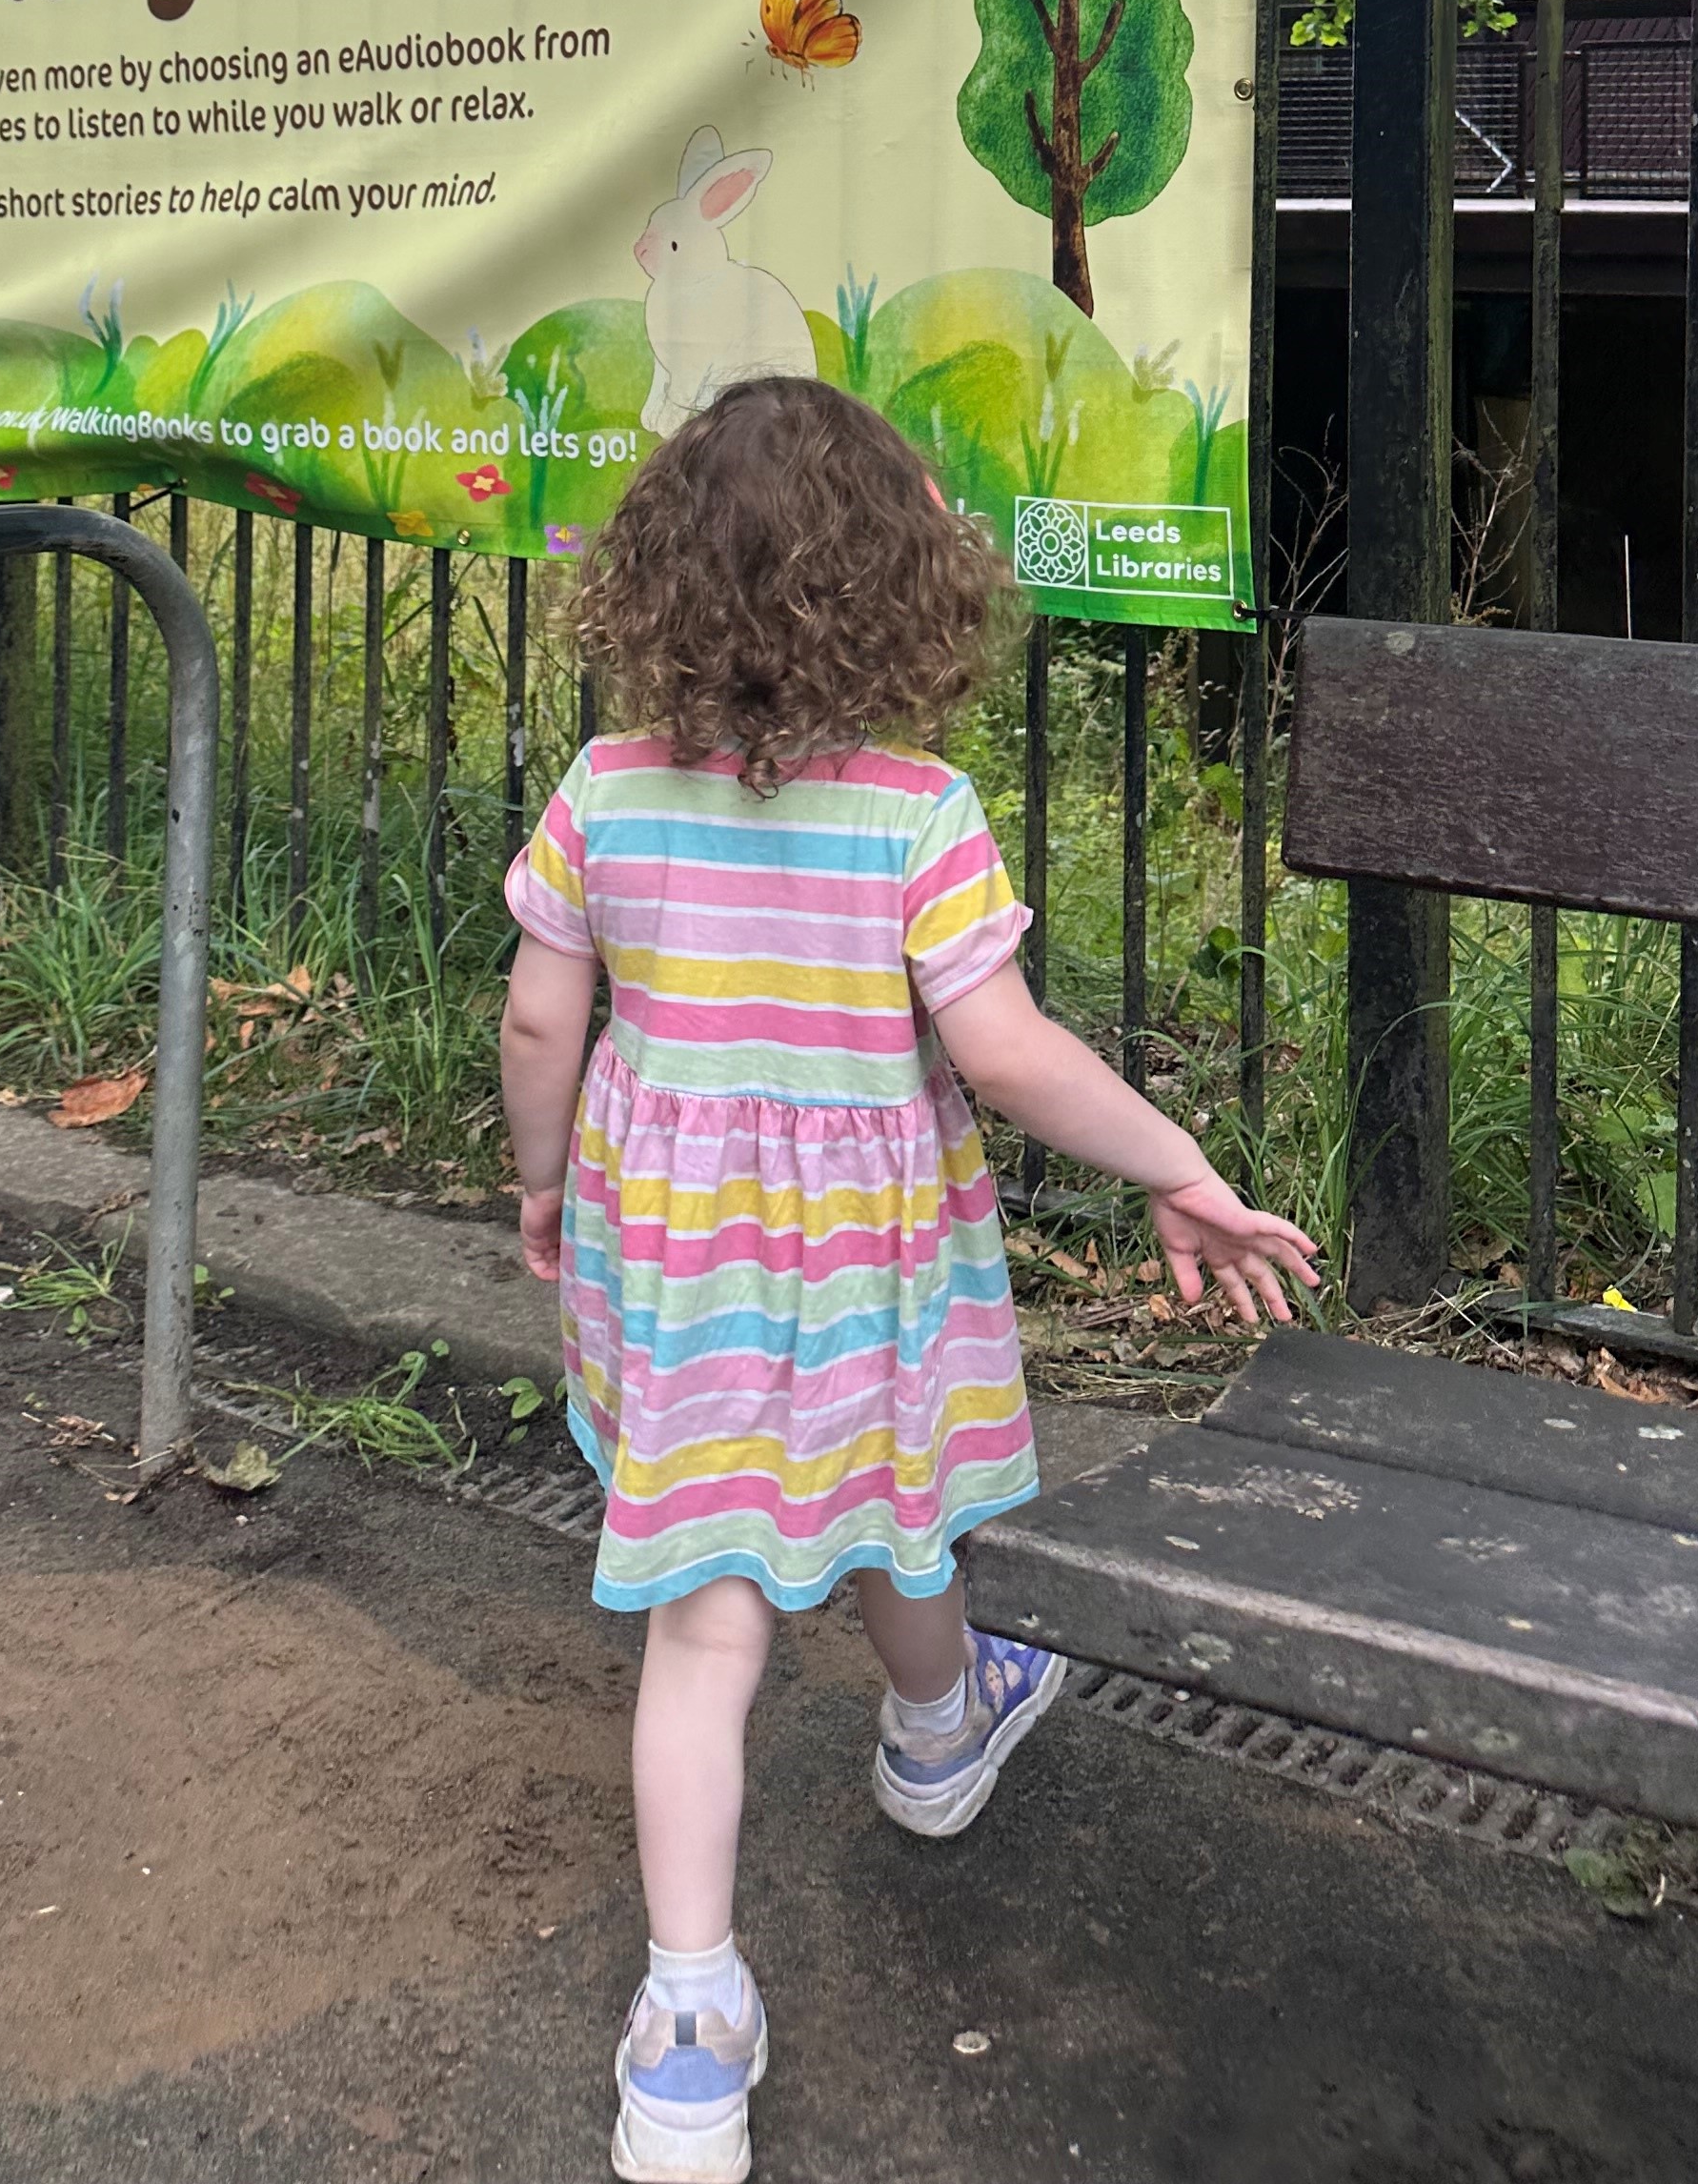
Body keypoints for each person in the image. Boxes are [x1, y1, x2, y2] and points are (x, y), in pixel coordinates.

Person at [499, 376, 1321, 2183]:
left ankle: (689, 2029)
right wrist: (1177, 1165)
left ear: (659, 583)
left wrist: (544, 1183)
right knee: (891, 1503)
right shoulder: (918, 816)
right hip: (863, 1266)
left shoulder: (605, 792)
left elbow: (545, 1016)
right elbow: (1005, 1053)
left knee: (704, 1617)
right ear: (897, 591)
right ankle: (942, 1729)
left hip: (678, 1261)